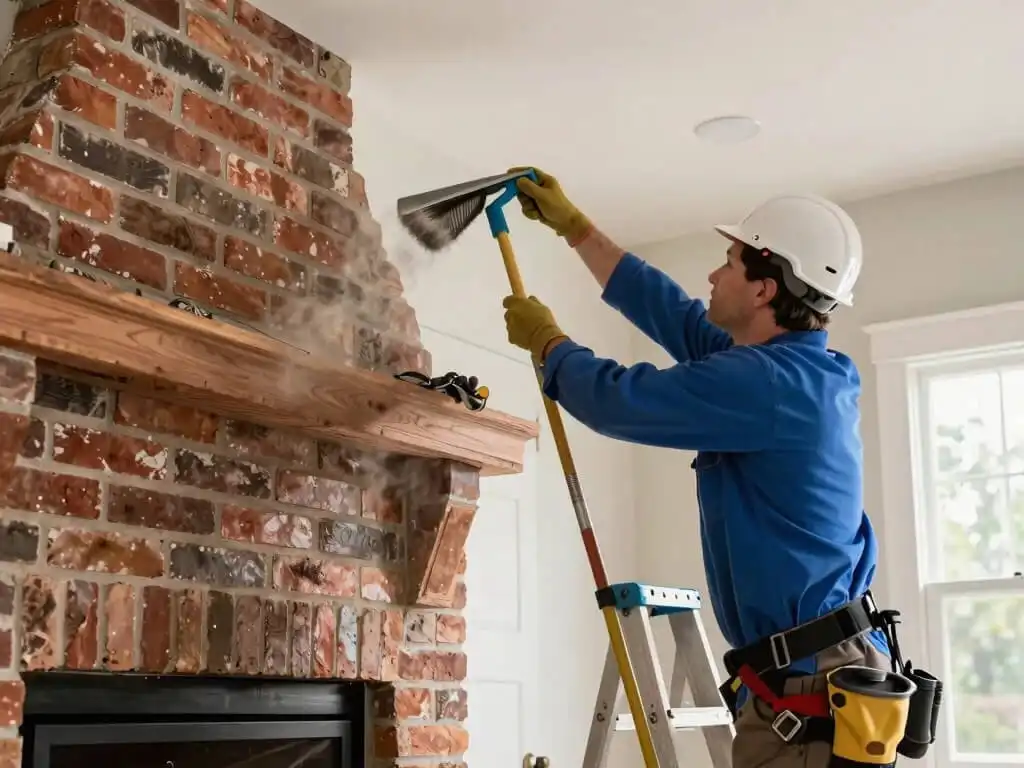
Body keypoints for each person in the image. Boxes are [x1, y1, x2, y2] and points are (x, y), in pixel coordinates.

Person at [502, 167, 894, 768]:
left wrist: (550, 344)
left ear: (764, 289)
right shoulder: (804, 372)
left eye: (730, 262)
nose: (714, 274)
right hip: (806, 676)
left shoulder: (767, 384)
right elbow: (676, 316)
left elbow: (620, 402)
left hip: (807, 691)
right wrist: (576, 229)